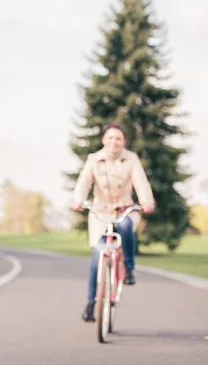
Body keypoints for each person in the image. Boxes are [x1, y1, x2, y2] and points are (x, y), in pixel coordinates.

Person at [70, 123, 155, 322]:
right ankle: (91, 303)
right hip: (101, 212)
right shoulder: (94, 160)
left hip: (124, 209)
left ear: (124, 142)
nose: (113, 142)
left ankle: (129, 268)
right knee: (97, 255)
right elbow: (84, 182)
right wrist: (78, 201)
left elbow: (141, 182)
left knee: (126, 227)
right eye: (110, 138)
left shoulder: (131, 159)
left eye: (118, 139)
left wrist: (146, 202)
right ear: (103, 140)